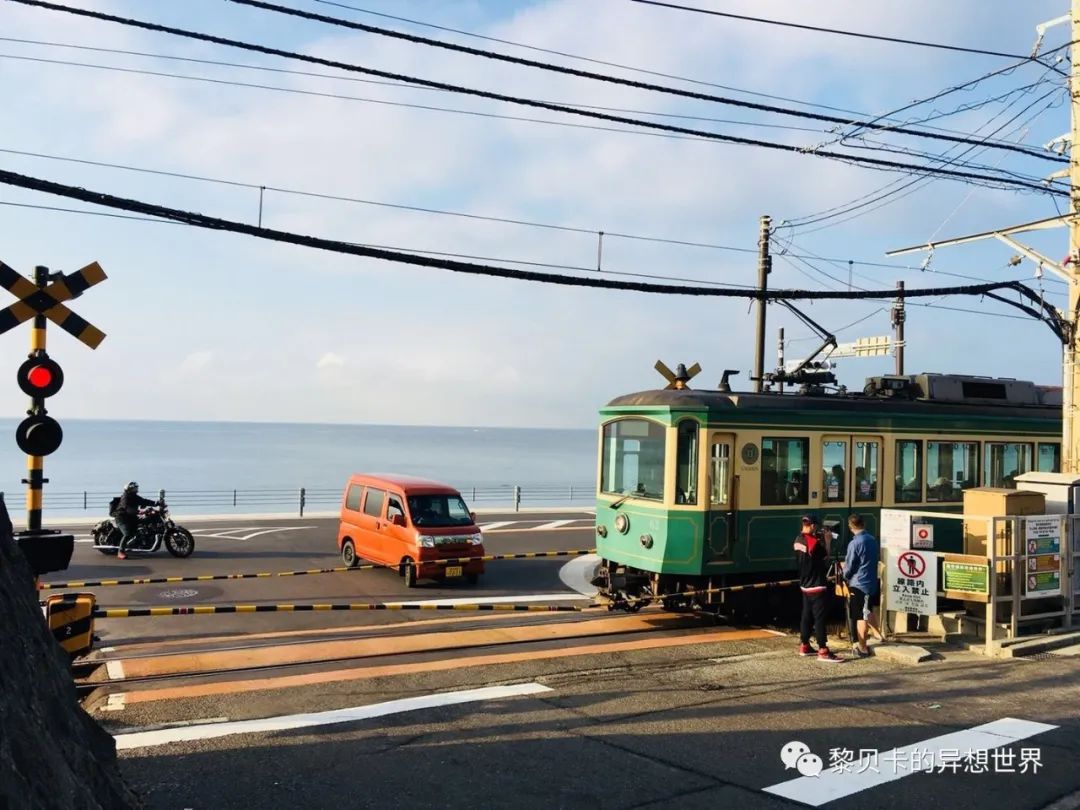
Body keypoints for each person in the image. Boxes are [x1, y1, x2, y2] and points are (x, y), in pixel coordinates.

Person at [794, 514, 842, 663]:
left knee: (806, 615)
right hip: (817, 584)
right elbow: (825, 556)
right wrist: (827, 541)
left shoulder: (797, 540)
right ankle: (823, 650)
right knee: (819, 618)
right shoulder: (814, 542)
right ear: (813, 526)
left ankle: (805, 645)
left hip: (804, 584)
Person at [842, 513, 880, 657]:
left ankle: (862, 647)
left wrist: (844, 576)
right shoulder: (872, 539)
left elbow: (850, 565)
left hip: (859, 583)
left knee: (860, 616)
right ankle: (879, 635)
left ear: (850, 527)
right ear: (863, 524)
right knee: (868, 610)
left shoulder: (854, 543)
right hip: (870, 580)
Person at [113, 481, 156, 560]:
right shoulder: (125, 497)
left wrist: (156, 503)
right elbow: (128, 509)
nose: (136, 490)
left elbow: (144, 501)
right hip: (122, 518)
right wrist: (140, 511)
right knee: (127, 533)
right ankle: (120, 551)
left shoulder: (134, 496)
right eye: (134, 489)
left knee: (145, 522)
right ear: (129, 490)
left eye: (136, 488)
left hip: (131, 517)